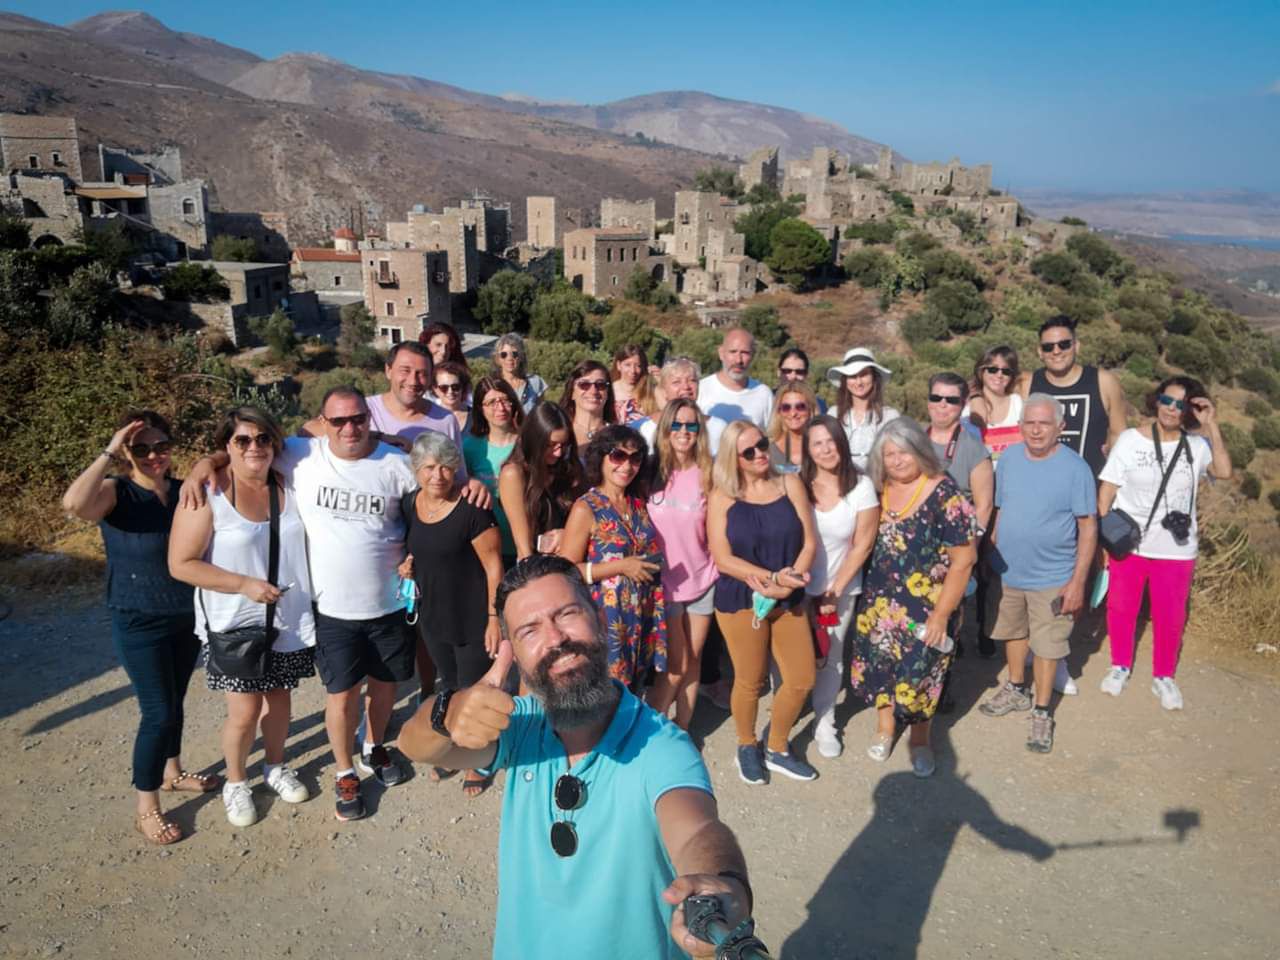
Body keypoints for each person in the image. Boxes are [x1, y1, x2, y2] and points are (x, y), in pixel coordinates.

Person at [398, 555, 754, 960]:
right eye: (529, 630)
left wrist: (722, 883)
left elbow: (697, 831)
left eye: (566, 614)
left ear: (599, 619)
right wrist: (446, 712)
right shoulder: (522, 727)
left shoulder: (661, 745)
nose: (555, 639)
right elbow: (414, 746)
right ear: (515, 655)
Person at [182, 386, 418, 821]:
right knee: (323, 698)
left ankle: (361, 750)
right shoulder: (296, 457)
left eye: (358, 419)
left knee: (357, 691)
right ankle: (324, 774)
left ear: (370, 419)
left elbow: (430, 503)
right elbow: (182, 560)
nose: (350, 428)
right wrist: (204, 464)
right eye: (339, 420)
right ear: (323, 424)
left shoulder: (393, 465)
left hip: (345, 609)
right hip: (310, 611)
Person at [61, 410, 218, 845]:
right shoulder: (116, 492)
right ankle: (147, 806)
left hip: (186, 614)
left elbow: (230, 463)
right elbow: (73, 505)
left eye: (161, 445)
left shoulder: (184, 490)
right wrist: (110, 450)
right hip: (138, 618)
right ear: (128, 452)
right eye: (141, 448)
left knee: (175, 700)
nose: (153, 455)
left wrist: (206, 464)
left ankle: (173, 772)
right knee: (158, 711)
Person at [168, 407, 316, 827]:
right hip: (235, 623)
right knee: (245, 712)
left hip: (287, 620)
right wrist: (243, 585)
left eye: (263, 438)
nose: (255, 447)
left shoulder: (289, 483)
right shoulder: (208, 495)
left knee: (281, 701)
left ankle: (275, 767)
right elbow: (180, 564)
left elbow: (327, 426)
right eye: (242, 440)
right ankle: (236, 782)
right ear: (226, 446)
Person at [849, 418, 977, 777]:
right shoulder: (879, 488)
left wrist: (941, 615)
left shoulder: (945, 493)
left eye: (904, 452)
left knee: (923, 675)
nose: (897, 460)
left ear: (920, 451)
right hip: (880, 602)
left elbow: (964, 560)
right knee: (881, 667)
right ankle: (885, 728)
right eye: (889, 454)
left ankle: (920, 740)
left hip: (928, 607)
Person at [1097, 376, 1231, 710]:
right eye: (1167, 400)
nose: (1172, 409)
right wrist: (1103, 539)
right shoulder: (1130, 440)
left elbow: (1224, 471)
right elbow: (1108, 489)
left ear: (1190, 410)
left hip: (1176, 548)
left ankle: (1164, 676)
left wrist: (1211, 425)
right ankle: (1120, 665)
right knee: (1121, 608)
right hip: (1129, 542)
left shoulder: (1197, 447)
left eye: (1181, 404)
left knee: (1170, 615)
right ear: (1157, 401)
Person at [979, 394, 1097, 755]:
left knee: (1047, 645)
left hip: (1053, 576)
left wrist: (1077, 582)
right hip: (1009, 569)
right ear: (1020, 426)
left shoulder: (1076, 469)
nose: (1035, 430)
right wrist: (990, 549)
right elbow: (1000, 509)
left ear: (1060, 427)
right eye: (1029, 422)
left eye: (1044, 423)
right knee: (1013, 632)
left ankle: (1042, 710)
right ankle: (1016, 687)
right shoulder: (1010, 459)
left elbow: (1088, 527)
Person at [708, 420, 818, 785]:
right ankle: (746, 744)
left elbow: (809, 542)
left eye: (762, 444)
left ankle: (777, 746)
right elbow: (723, 558)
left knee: (801, 678)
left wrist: (789, 582)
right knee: (750, 680)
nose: (759, 454)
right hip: (742, 598)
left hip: (789, 596)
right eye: (748, 451)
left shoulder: (789, 482)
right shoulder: (723, 496)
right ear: (733, 458)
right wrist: (771, 579)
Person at [399, 432, 509, 795]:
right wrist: (407, 566)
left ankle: (478, 760)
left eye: (446, 467)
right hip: (433, 615)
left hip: (473, 616)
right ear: (417, 469)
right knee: (448, 685)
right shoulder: (410, 504)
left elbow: (494, 567)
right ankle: (452, 749)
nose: (438, 475)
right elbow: (419, 549)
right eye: (429, 467)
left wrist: (493, 619)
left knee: (475, 689)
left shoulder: (473, 509)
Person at [559, 425, 666, 690]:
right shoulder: (586, 507)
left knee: (635, 689)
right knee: (607, 692)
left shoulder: (638, 502)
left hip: (642, 611)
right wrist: (621, 566)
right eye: (618, 456)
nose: (627, 466)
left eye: (635, 458)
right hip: (607, 616)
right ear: (601, 458)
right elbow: (566, 569)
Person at [800, 415, 878, 758]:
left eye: (831, 441)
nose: (826, 449)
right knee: (790, 656)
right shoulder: (797, 484)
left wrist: (834, 590)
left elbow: (863, 544)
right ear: (808, 450)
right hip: (797, 588)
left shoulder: (861, 486)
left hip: (840, 587)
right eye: (817, 443)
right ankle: (788, 710)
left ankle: (825, 720)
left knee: (831, 657)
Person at [646, 399, 719, 729]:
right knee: (676, 664)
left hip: (703, 579)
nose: (684, 431)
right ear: (665, 428)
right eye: (676, 424)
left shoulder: (710, 473)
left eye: (691, 425)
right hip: (664, 583)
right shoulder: (649, 471)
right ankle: (649, 732)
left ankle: (683, 729)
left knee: (694, 659)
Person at [360, 342, 487, 504]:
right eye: (405, 370)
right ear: (388, 370)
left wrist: (473, 484)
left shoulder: (445, 420)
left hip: (422, 516)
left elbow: (457, 479)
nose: (413, 381)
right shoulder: (363, 411)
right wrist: (380, 438)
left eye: (422, 374)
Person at [1024, 316, 1127, 476]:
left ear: (1076, 346)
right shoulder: (1027, 384)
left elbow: (1119, 436)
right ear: (1040, 352)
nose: (1056, 351)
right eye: (1048, 347)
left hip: (1091, 486)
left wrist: (1109, 484)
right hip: (1039, 485)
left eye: (1064, 344)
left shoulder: (1103, 382)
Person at [498, 402, 584, 559]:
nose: (558, 453)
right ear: (534, 440)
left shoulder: (566, 469)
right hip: (536, 562)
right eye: (551, 445)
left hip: (570, 559)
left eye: (563, 445)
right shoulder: (513, 474)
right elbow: (523, 546)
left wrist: (567, 534)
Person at [464, 376, 524, 567]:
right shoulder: (470, 447)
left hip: (524, 545)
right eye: (491, 403)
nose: (500, 408)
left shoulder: (527, 442)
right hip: (487, 548)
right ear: (480, 409)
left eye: (505, 400)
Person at [827, 347, 901, 471]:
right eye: (852, 376)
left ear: (874, 377)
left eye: (864, 374)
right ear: (845, 380)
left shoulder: (890, 416)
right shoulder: (834, 414)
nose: (858, 382)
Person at [639, 356, 727, 453]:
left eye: (692, 380)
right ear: (664, 390)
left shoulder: (717, 427)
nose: (686, 387)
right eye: (676, 382)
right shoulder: (646, 428)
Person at [697, 328, 774, 428]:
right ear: (721, 353)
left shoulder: (764, 394)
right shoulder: (701, 390)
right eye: (733, 352)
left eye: (745, 353)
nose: (738, 360)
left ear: (753, 355)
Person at [966, 345, 1024, 460]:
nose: (999, 375)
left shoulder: (1017, 403)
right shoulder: (968, 408)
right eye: (993, 369)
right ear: (981, 371)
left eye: (1006, 371)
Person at [560, 358, 617, 450]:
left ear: (608, 393)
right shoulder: (559, 432)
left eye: (600, 385)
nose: (593, 391)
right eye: (584, 384)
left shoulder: (619, 436)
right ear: (572, 392)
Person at [766, 380, 818, 474]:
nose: (793, 413)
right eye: (786, 407)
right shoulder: (767, 449)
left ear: (811, 409)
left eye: (800, 407)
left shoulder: (823, 445)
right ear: (779, 411)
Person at [491, 332, 548, 413]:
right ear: (497, 359)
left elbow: (541, 414)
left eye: (514, 354)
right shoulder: (491, 385)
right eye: (504, 354)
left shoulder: (535, 382)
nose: (509, 358)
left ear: (521, 357)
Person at [611, 343, 653, 424]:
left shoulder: (650, 392)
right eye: (628, 365)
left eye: (638, 366)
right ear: (618, 365)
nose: (633, 370)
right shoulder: (609, 391)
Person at [777, 347, 828, 414]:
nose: (793, 376)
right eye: (787, 371)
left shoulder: (819, 405)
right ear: (778, 372)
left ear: (807, 374)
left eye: (799, 372)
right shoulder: (767, 399)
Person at [432, 360, 473, 433]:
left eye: (455, 387)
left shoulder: (476, 417)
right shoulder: (429, 418)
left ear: (463, 387)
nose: (450, 391)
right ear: (435, 389)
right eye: (444, 388)